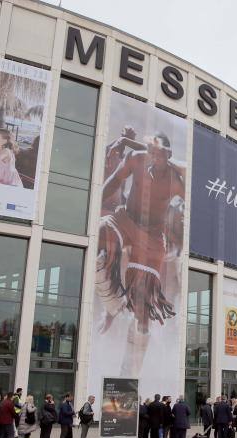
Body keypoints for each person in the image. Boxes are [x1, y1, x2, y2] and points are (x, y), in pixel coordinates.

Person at [95, 131, 186, 378]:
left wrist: (170, 161)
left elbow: (196, 190)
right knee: (100, 235)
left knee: (142, 313)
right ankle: (113, 305)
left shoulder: (176, 181)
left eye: (160, 153)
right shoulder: (136, 158)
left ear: (168, 155)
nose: (154, 157)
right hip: (125, 218)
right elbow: (114, 182)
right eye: (151, 151)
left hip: (153, 239)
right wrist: (94, 202)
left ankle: (129, 374)